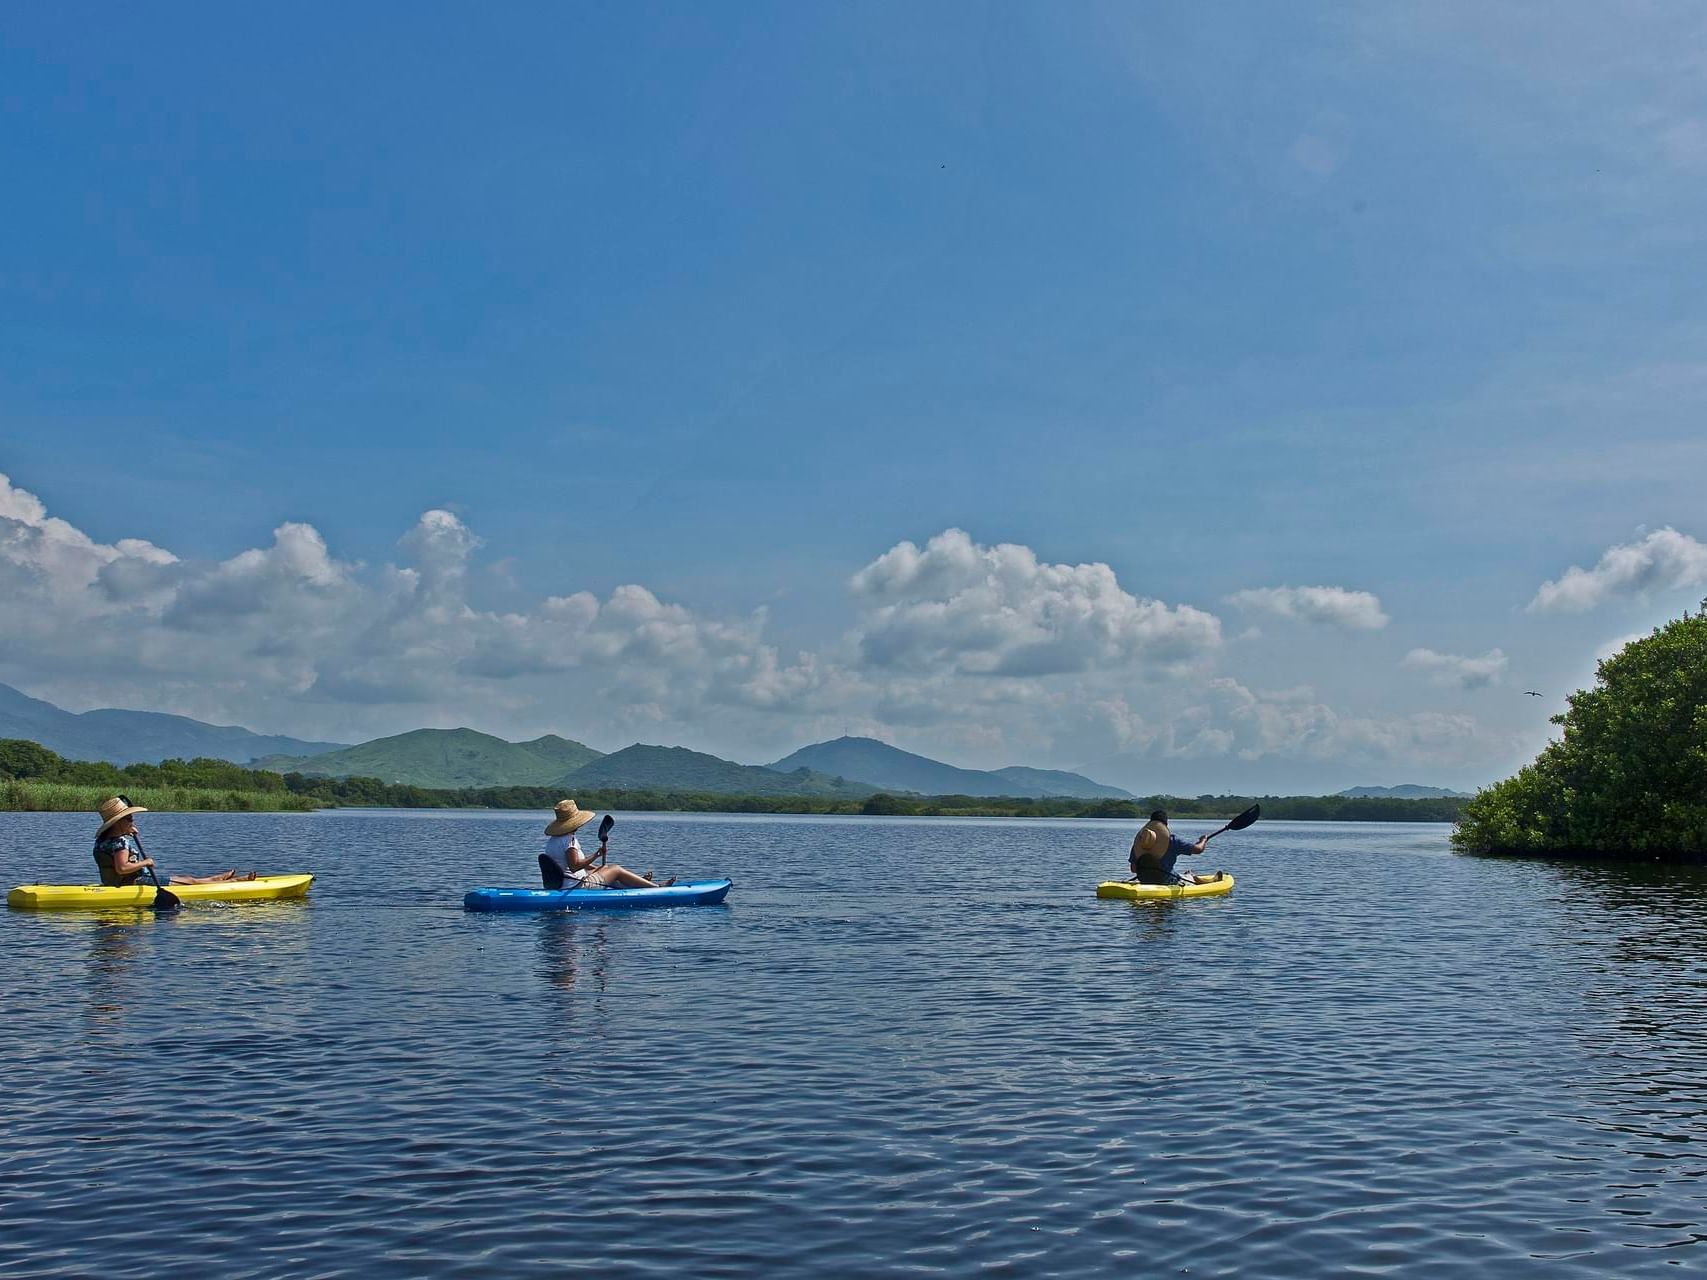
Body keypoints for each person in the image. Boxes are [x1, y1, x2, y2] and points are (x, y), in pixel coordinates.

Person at [92, 796, 255, 886]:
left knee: (188, 878)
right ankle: (236, 882)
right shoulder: (119, 843)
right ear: (118, 822)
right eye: (129, 818)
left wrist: (127, 830)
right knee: (190, 882)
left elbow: (115, 864)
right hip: (137, 882)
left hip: (115, 883)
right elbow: (122, 868)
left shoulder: (102, 841)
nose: (133, 820)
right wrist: (146, 862)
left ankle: (217, 879)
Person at [539, 799, 673, 890]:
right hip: (577, 886)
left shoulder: (553, 840)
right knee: (616, 869)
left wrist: (598, 868)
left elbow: (573, 864)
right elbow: (574, 867)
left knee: (606, 869)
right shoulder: (569, 841)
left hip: (566, 883)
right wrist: (596, 855)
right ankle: (656, 888)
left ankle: (638, 883)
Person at [1129, 809, 1224, 885]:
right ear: (1165, 824)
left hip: (1144, 880)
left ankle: (1187, 875)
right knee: (1190, 877)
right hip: (1167, 880)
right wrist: (1203, 840)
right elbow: (1198, 849)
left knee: (1183, 875)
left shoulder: (1140, 843)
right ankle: (1201, 878)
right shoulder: (1173, 841)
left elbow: (1133, 869)